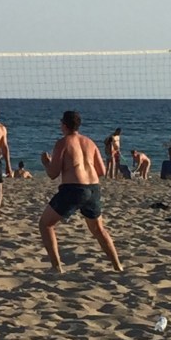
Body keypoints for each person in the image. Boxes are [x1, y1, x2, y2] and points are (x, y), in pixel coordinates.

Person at [39, 110, 123, 273]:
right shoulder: (89, 142)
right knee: (99, 230)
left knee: (45, 224)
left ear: (63, 125)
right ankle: (117, 265)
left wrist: (46, 162)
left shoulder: (63, 143)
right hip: (93, 188)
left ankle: (57, 267)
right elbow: (102, 171)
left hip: (74, 189)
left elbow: (52, 174)